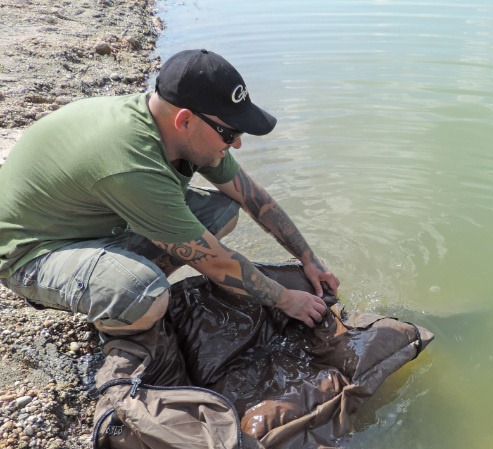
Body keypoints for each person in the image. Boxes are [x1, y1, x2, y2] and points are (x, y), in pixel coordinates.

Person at [0, 48, 339, 334]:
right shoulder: (133, 162)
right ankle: (115, 314)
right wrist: (285, 299)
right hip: (33, 251)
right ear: (185, 121)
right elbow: (219, 265)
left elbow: (252, 197)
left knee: (222, 213)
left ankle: (121, 277)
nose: (236, 143)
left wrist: (308, 259)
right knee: (144, 295)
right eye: (229, 132)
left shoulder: (174, 126)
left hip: (91, 218)